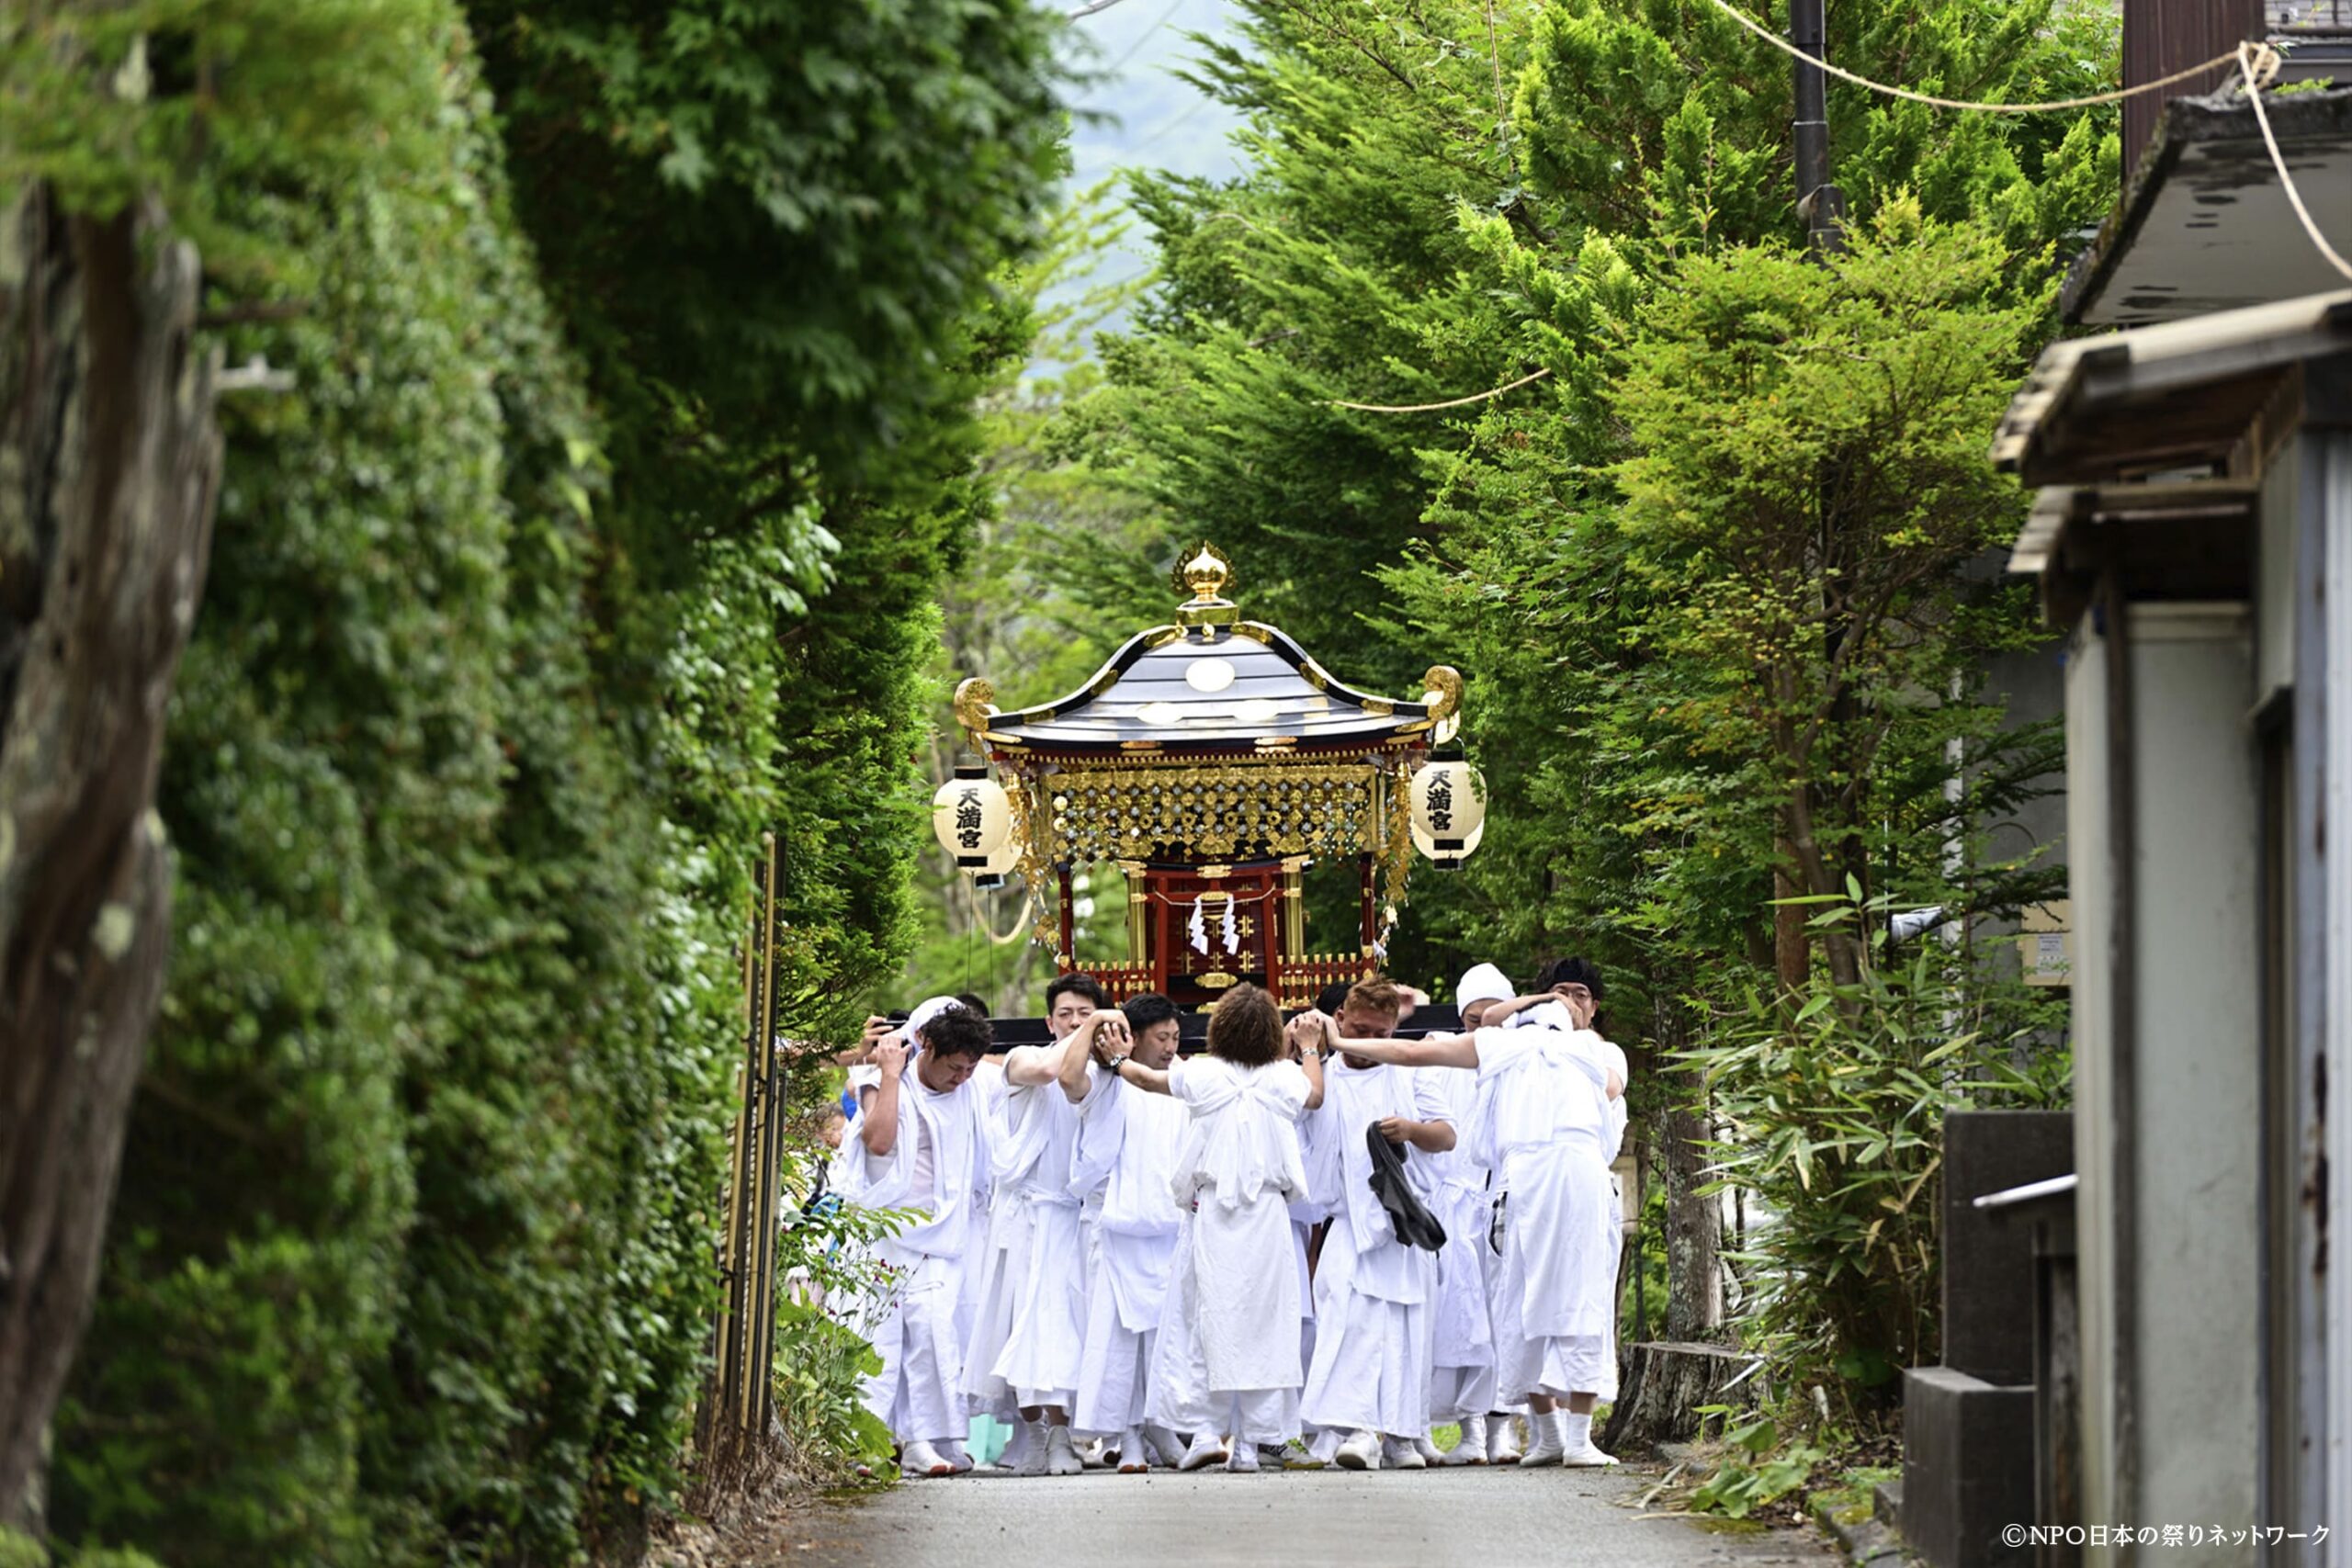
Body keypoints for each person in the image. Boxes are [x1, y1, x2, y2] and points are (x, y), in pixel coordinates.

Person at [1317, 963, 1624, 1469]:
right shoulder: (1501, 1045)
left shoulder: (1595, 1051)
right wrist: (1341, 1044)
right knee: (1516, 1303)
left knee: (1581, 1300)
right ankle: (1547, 1435)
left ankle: (1578, 1437)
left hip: (1576, 1173)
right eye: (1553, 998)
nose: (1562, 1007)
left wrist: (1553, 1031)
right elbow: (1413, 1051)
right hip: (1518, 1176)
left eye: (1576, 998)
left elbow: (1611, 1088)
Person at [1112, 983, 1324, 1472]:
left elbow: (1146, 1080)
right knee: (1264, 1327)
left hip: (1212, 1214)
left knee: (1204, 1318)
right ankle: (1249, 1444)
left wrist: (1116, 1059)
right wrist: (1309, 1047)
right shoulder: (1283, 1078)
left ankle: (1207, 1431)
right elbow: (1314, 1094)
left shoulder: (1202, 1073)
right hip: (1267, 1216)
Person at [962, 973, 1123, 1476]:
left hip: (1073, 1219)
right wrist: (1093, 1023)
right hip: (1022, 1218)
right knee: (1019, 1328)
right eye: (1067, 1014)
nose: (1076, 1022)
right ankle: (1037, 1436)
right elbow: (1051, 1071)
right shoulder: (1022, 1058)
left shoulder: (1105, 1076)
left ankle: (1064, 1436)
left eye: (1085, 1013)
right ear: (1050, 1020)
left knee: (1065, 1330)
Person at [1296, 977, 1454, 1471]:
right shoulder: (1320, 1074)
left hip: (1399, 1225)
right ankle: (1357, 1428)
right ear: (1340, 1019)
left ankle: (1401, 1436)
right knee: (1348, 1321)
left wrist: (1409, 1131)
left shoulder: (1410, 1071)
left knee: (1403, 1330)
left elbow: (1446, 1136)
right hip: (1346, 1223)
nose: (1367, 1043)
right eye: (1359, 1029)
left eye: (1379, 1033)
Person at [835, 1003, 995, 1478]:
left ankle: (923, 1441)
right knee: (874, 1336)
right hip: (882, 1230)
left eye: (970, 1068)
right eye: (954, 1067)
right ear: (924, 1045)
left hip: (940, 1233)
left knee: (933, 1333)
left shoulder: (970, 1088)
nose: (962, 1078)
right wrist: (887, 1074)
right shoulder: (881, 1079)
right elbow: (878, 1142)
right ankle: (865, 1440)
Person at [1068, 992, 1191, 1472]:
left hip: (1169, 1227)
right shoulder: (1103, 1082)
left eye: (1176, 1037)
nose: (1169, 1047)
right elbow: (1065, 1078)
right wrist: (1097, 1022)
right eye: (1161, 1038)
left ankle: (1162, 1426)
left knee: (1166, 1335)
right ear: (1131, 1039)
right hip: (1113, 1229)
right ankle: (1131, 1436)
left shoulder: (1179, 1082)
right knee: (1119, 1341)